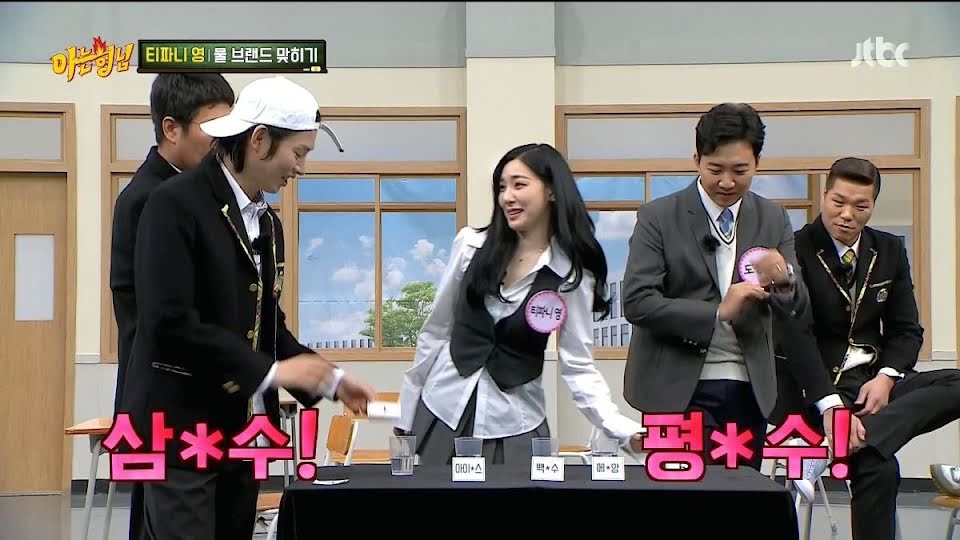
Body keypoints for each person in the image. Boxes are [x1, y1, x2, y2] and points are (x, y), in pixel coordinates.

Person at [129, 75, 376, 540]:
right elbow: (169, 324)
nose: (301, 168)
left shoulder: (267, 224)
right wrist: (271, 372)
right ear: (259, 140)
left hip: (242, 437)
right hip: (181, 436)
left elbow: (268, 326)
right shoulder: (173, 205)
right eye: (298, 153)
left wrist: (330, 379)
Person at [394, 143, 644, 464]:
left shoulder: (571, 275)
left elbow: (578, 365)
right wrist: (406, 411)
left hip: (515, 425)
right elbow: (436, 331)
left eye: (519, 185)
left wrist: (621, 429)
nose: (507, 197)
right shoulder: (471, 246)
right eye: (502, 187)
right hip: (442, 411)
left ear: (551, 190)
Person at [620, 102, 818, 471]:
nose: (727, 182)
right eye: (715, 170)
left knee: (743, 495)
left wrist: (785, 279)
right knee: (685, 494)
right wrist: (716, 312)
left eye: (740, 171)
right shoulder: (658, 217)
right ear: (697, 159)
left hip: (749, 387)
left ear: (757, 163)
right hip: (675, 387)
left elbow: (798, 307)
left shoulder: (773, 218)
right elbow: (637, 301)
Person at [776, 157, 960, 540]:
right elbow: (795, 338)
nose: (847, 214)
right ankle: (859, 441)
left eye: (860, 206)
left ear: (873, 205)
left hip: (869, 387)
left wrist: (886, 378)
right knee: (880, 467)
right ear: (824, 196)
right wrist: (832, 407)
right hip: (813, 391)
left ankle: (851, 442)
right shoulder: (794, 248)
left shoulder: (888, 250)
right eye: (838, 202)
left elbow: (906, 331)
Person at [109, 73, 234, 540]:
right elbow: (168, 314)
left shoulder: (185, 193)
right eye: (213, 127)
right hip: (165, 394)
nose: (224, 141)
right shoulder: (155, 200)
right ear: (171, 128)